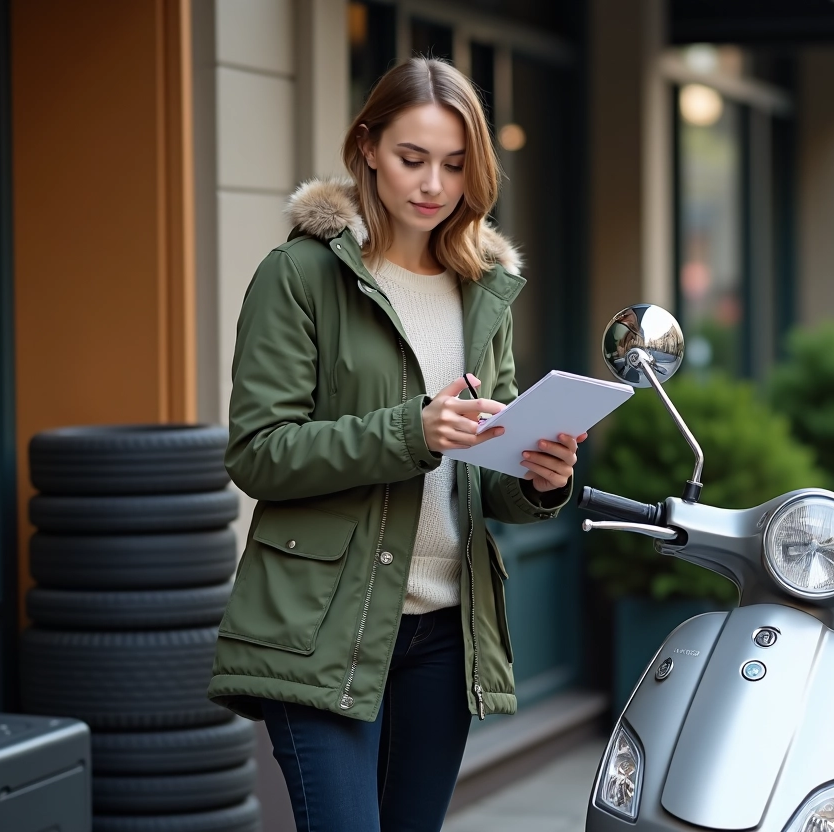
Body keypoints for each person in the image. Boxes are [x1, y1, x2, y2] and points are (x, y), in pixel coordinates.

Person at [207, 58, 584, 832]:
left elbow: (486, 469)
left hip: (448, 634)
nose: (433, 184)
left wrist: (538, 477)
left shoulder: (483, 290)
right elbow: (258, 452)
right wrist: (408, 431)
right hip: (323, 626)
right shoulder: (301, 276)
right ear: (367, 147)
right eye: (413, 159)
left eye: (454, 165)